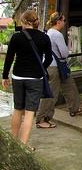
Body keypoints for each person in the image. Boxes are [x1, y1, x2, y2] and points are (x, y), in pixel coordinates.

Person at [1, 10, 53, 150]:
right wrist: (40, 67)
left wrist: (5, 76)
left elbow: (9, 58)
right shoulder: (44, 38)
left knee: (18, 109)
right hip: (35, 78)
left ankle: (14, 142)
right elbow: (48, 58)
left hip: (18, 77)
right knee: (30, 112)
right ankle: (23, 146)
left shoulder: (16, 37)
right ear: (36, 22)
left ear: (23, 22)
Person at [36, 12, 82, 126]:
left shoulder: (48, 33)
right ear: (58, 22)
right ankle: (42, 119)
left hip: (54, 66)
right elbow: (64, 52)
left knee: (70, 86)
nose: (64, 22)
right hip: (54, 67)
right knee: (51, 93)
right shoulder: (57, 35)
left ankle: (74, 108)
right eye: (63, 20)